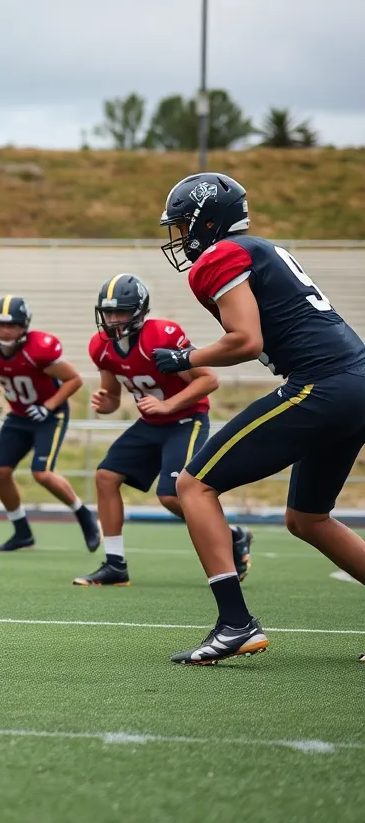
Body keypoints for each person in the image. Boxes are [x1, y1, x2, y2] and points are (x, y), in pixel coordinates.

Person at [152, 172, 365, 664]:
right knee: (308, 519)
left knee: (193, 485)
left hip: (322, 382)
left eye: (184, 225)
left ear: (207, 220)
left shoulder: (221, 256)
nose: (181, 237)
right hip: (352, 380)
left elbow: (245, 340)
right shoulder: (258, 248)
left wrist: (185, 359)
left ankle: (236, 624)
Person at [78, 273, 251, 586]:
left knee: (172, 497)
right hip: (151, 423)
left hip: (185, 421)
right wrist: (105, 404)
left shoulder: (161, 335)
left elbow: (208, 379)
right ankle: (115, 563)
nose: (113, 319)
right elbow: (113, 398)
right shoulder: (101, 347)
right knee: (105, 477)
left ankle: (233, 536)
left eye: (121, 311)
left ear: (140, 311)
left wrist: (169, 406)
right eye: (108, 312)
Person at [0, 296, 101, 552]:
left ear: (24, 326)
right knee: (0, 472)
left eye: (13, 325)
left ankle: (84, 515)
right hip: (18, 416)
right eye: (1, 324)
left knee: (41, 473)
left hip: (49, 416)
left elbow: (74, 380)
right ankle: (22, 532)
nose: (6, 330)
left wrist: (48, 406)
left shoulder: (39, 349)